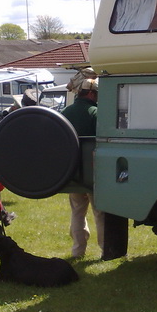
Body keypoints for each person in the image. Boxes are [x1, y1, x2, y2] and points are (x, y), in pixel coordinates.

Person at [61, 77, 105, 258]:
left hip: (72, 172)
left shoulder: (65, 112)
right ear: (91, 93)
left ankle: (77, 251)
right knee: (100, 213)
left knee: (78, 212)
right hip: (93, 173)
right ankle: (106, 249)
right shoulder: (96, 113)